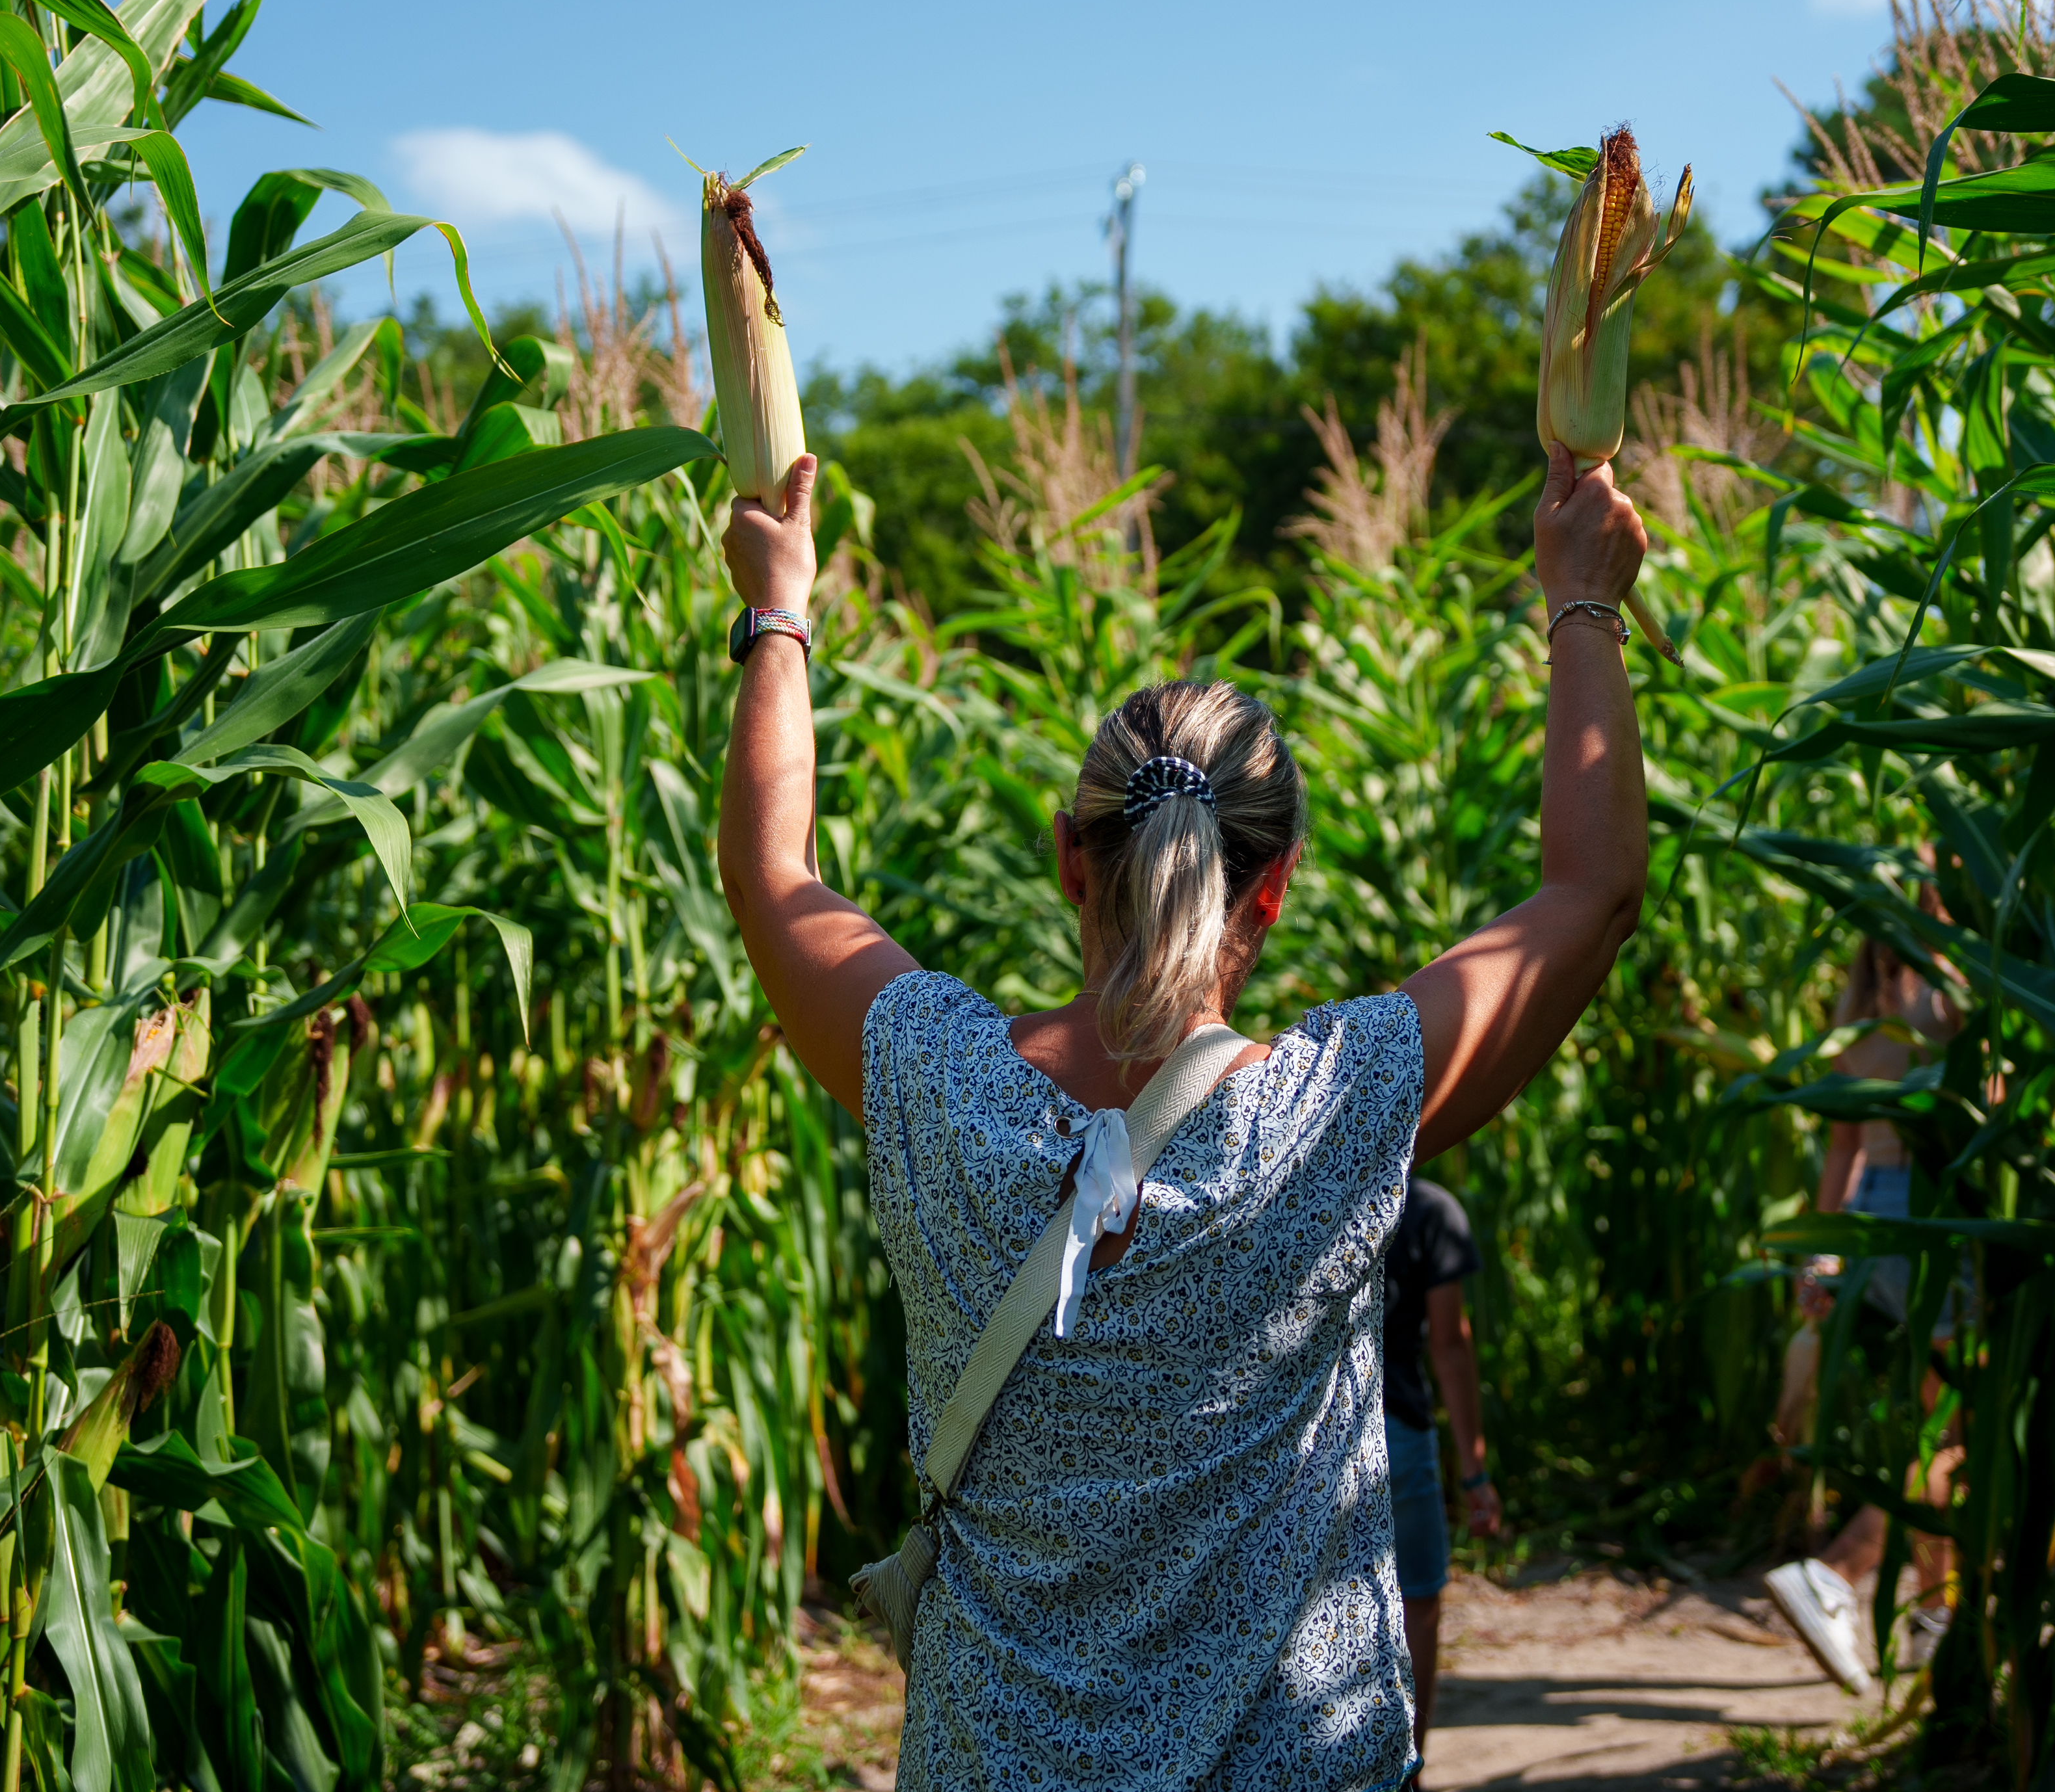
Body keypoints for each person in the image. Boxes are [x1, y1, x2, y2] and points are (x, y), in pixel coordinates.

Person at [715, 440, 1651, 1790]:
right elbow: (1591, 895)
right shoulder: (1327, 1117)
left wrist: (779, 605)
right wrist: (1583, 600)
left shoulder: (937, 1085)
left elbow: (769, 872)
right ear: (1268, 894)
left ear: (1066, 863)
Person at [1762, 932, 1967, 1694]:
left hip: (1873, 1220)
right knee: (1959, 1432)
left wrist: (1822, 1253)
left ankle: (1934, 1623)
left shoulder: (1858, 1025)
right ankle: (1837, 1574)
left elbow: (1844, 1145)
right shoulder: (1946, 1015)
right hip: (1938, 1217)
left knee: (1935, 1429)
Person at [1380, 1173, 1501, 1789]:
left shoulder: (1315, 1180)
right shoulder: (1432, 1211)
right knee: (1418, 1599)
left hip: (1314, 1436)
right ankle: (1408, 1766)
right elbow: (1450, 1347)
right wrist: (1474, 1473)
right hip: (1398, 1432)